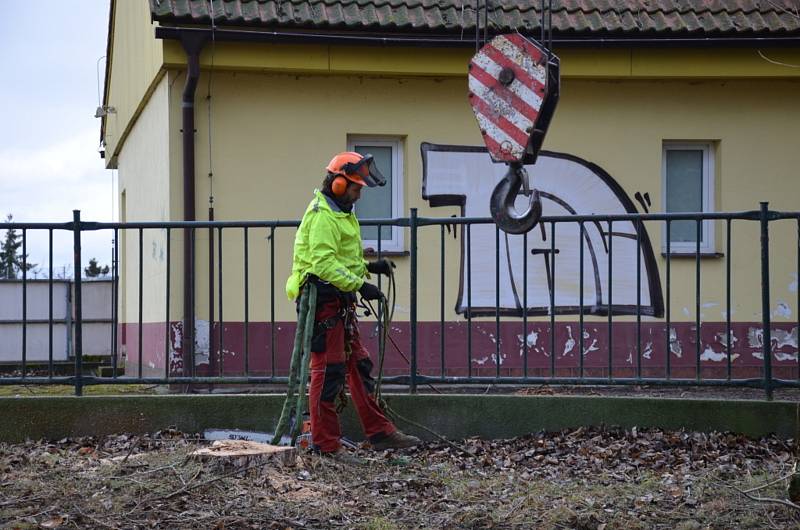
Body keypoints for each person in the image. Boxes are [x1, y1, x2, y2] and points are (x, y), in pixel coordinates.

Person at [286, 151, 421, 460]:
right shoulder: (322, 216)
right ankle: (325, 445)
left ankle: (380, 433)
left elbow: (343, 258)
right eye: (356, 188)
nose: (358, 194)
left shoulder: (341, 213)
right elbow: (323, 265)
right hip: (322, 303)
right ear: (337, 184)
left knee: (358, 367)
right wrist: (362, 285)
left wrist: (369, 269)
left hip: (339, 302)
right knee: (328, 372)